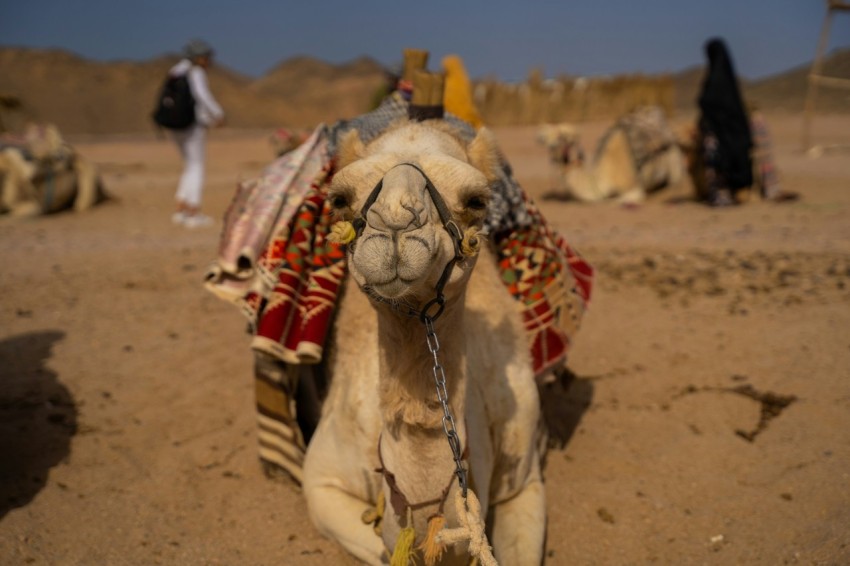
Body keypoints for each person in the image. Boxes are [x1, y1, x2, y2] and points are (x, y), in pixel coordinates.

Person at [168, 39, 225, 227]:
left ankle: (180, 210)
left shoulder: (176, 71)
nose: (209, 61)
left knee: (189, 165)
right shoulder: (196, 72)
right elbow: (203, 96)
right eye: (207, 57)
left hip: (174, 125)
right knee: (197, 166)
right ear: (199, 57)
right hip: (192, 126)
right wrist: (218, 114)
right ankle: (193, 212)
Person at [696, 37, 753, 207]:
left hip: (721, 132)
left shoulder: (715, 80)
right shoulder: (729, 81)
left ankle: (721, 193)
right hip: (734, 133)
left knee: (715, 153)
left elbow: (708, 102)